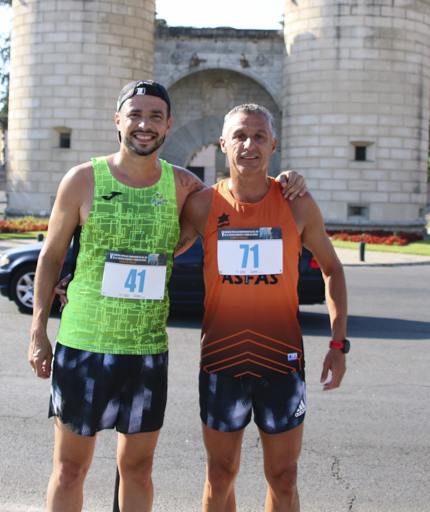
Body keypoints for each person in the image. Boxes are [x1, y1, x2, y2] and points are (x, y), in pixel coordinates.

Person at [28, 81, 307, 512]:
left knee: (137, 470)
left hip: (146, 351)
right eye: (135, 114)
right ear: (118, 120)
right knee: (69, 470)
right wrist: (38, 332)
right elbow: (50, 256)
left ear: (169, 126)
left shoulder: (183, 187)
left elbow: (236, 196)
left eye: (156, 116)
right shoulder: (83, 179)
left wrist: (284, 180)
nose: (145, 124)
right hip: (83, 344)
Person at [178, 103, 348, 512]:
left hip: (281, 361)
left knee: (284, 478)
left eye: (258, 136)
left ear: (274, 144)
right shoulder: (202, 205)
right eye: (239, 135)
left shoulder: (296, 203)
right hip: (221, 359)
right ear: (223, 144)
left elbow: (333, 269)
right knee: (220, 473)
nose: (248, 144)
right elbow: (157, 256)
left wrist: (338, 344)